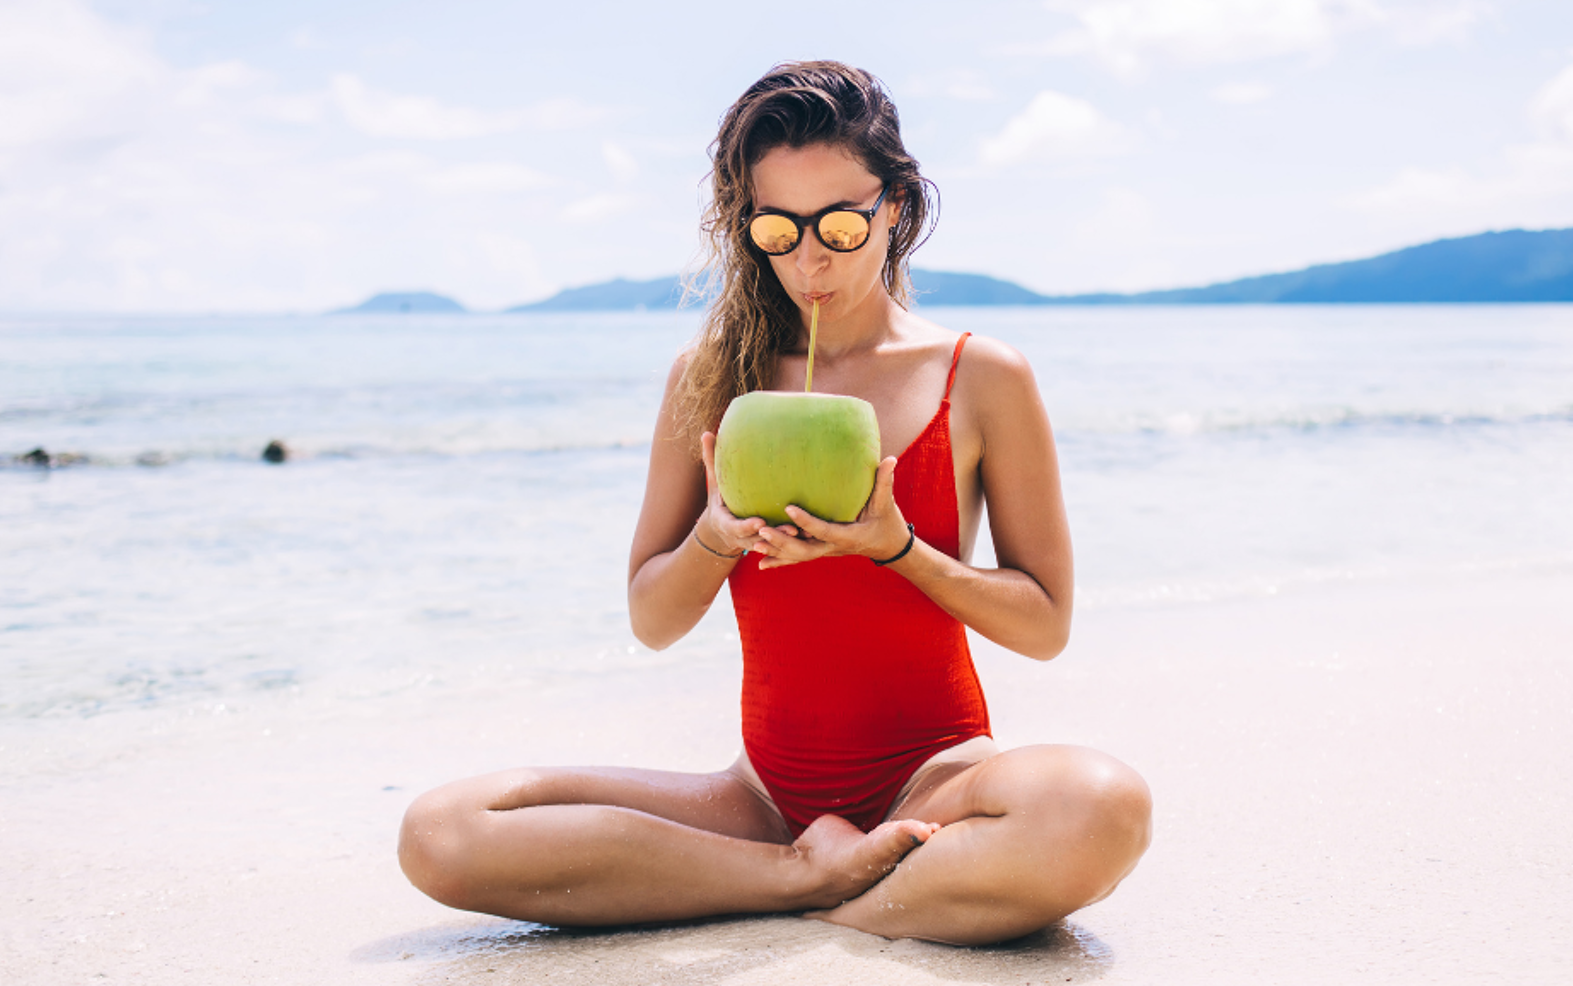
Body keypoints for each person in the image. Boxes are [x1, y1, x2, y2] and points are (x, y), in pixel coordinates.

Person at [398, 61, 1151, 946]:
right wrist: (715, 537)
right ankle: (804, 878)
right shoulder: (711, 379)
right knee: (443, 833)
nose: (809, 258)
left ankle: (831, 899)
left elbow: (1044, 624)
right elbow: (652, 615)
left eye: (839, 224)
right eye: (777, 228)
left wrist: (896, 547)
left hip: (935, 785)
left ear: (896, 207)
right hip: (761, 799)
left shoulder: (981, 377)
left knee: (1102, 807)